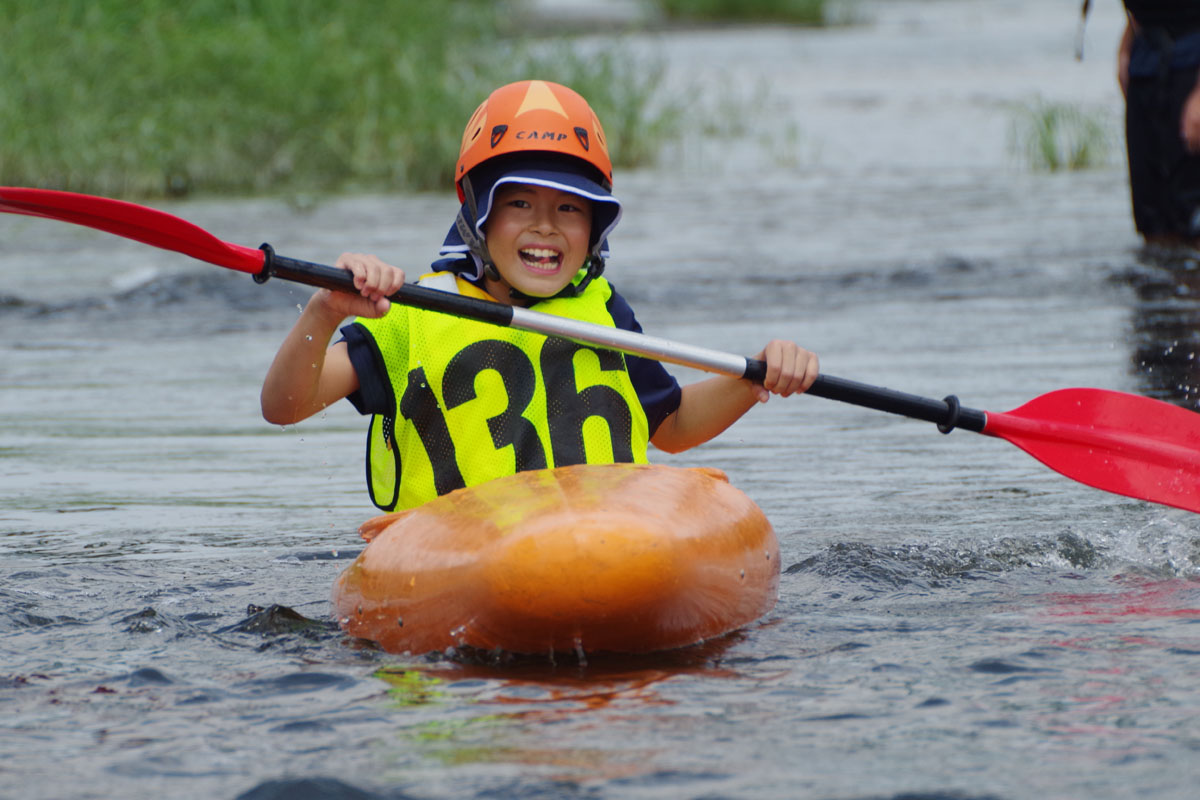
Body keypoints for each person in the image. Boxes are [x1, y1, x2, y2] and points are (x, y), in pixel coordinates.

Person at [261, 80, 819, 511]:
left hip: (605, 545)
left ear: (595, 226)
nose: (546, 226)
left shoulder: (604, 309)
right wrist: (326, 309)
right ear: (478, 211)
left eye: (570, 208)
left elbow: (669, 425)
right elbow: (284, 406)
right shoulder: (407, 314)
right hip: (454, 562)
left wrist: (755, 378)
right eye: (520, 204)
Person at [1118, 1, 1200, 246]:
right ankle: (1162, 282)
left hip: (1191, 68)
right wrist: (1125, 47)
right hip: (1145, 66)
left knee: (1191, 212)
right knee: (1152, 215)